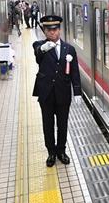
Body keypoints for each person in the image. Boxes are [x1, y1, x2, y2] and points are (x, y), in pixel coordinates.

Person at [32, 15, 82, 167]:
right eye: (49, 30)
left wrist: (78, 92)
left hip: (63, 94)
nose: (52, 33)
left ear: (59, 30)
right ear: (45, 31)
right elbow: (37, 54)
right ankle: (51, 153)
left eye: (55, 29)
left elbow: (74, 72)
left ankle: (61, 151)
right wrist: (44, 48)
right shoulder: (39, 45)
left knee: (62, 124)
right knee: (48, 125)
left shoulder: (69, 49)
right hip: (46, 94)